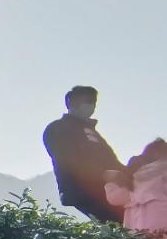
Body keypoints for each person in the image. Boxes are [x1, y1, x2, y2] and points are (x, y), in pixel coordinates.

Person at [43, 86, 125, 223]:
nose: (90, 105)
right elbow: (67, 160)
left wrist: (130, 173)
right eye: (86, 101)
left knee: (123, 221)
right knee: (117, 222)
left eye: (93, 101)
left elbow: (111, 160)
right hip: (81, 190)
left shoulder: (90, 131)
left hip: (105, 188)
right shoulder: (57, 128)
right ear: (71, 103)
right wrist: (102, 174)